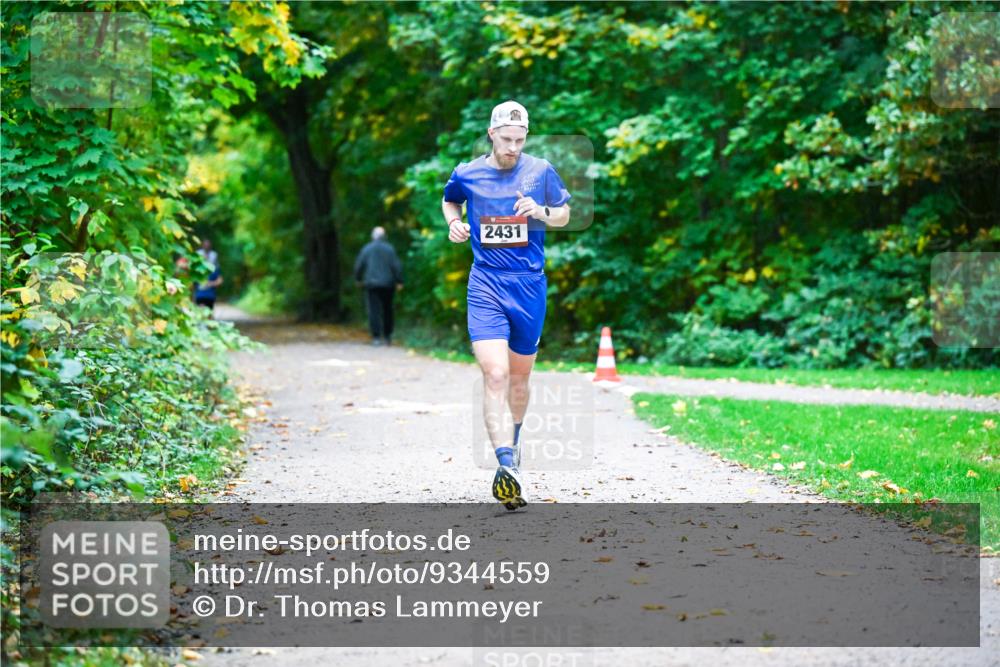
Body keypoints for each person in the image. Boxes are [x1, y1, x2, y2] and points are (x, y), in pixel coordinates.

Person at [441, 100, 572, 510]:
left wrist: (542, 211)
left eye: (520, 139)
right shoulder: (467, 172)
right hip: (486, 282)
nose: (513, 147)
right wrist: (454, 224)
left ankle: (512, 451)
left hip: (529, 285)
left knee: (518, 379)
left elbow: (566, 214)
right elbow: (451, 200)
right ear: (492, 133)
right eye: (507, 139)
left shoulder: (540, 170)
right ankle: (504, 464)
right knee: (494, 374)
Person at [354, 226, 404, 345]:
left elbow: (359, 265)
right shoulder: (390, 249)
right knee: (388, 309)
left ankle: (376, 337)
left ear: (373, 236)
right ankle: (387, 336)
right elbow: (396, 266)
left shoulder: (367, 249)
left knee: (373, 310)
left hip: (371, 284)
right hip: (388, 284)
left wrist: (358, 279)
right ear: (384, 236)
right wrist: (399, 281)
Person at [193, 239, 222, 316]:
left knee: (208, 315)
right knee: (201, 314)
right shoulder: (197, 269)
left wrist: (210, 284)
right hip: (200, 294)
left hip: (210, 295)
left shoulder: (214, 269)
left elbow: (220, 280)